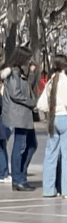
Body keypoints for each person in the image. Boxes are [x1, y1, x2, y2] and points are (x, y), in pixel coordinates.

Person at [35, 48, 67, 199]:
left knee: (50, 154)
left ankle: (48, 189)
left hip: (52, 118)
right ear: (64, 67)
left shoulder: (50, 82)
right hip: (65, 117)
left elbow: (41, 104)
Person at [2, 55, 35, 190]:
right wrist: (32, 102)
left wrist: (32, 72)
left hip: (24, 115)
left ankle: (21, 174)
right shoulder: (14, 73)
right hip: (18, 115)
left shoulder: (22, 73)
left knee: (32, 144)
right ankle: (18, 179)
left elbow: (30, 87)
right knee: (20, 146)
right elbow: (15, 93)